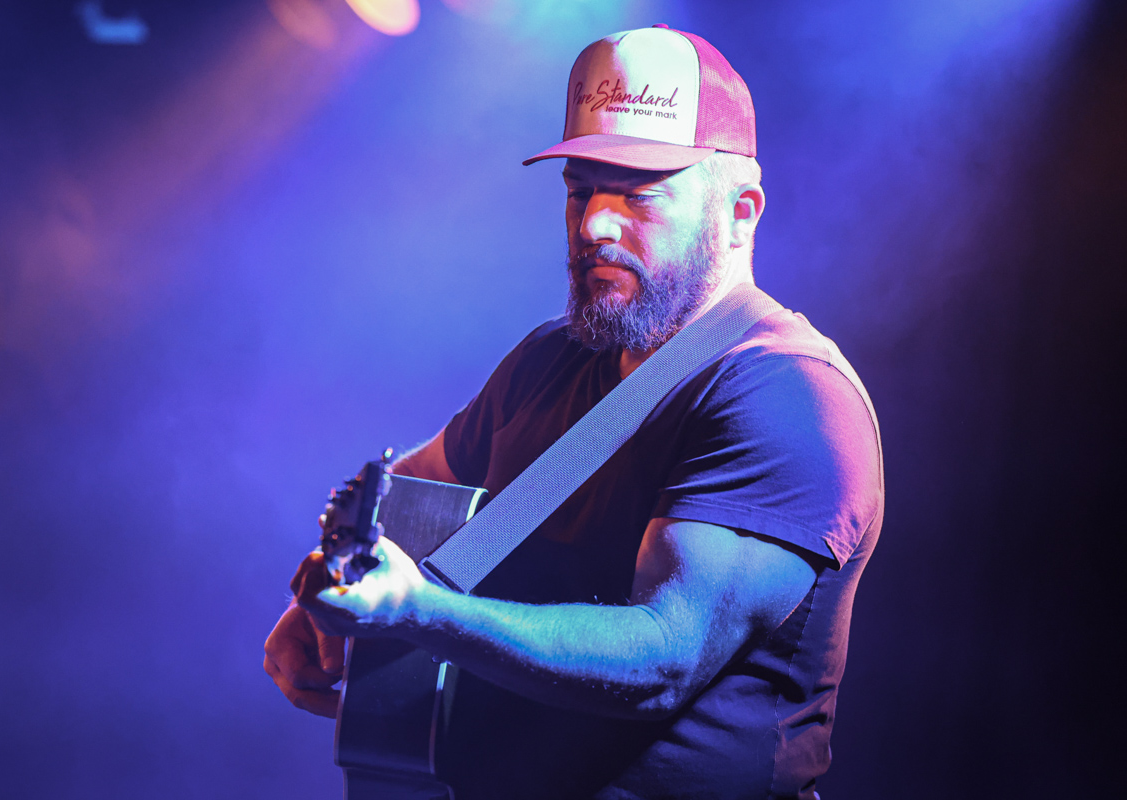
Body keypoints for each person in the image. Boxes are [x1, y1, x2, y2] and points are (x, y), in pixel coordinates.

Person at [264, 24, 883, 800]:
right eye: (581, 188)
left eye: (638, 192)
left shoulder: (786, 395)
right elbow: (409, 495)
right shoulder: (552, 359)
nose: (594, 224)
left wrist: (416, 612)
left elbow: (663, 656)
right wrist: (331, 589)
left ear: (740, 212)